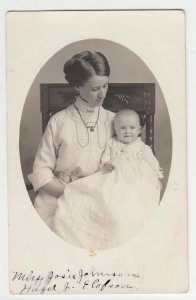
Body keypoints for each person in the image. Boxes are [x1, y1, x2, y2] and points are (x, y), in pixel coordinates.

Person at [53, 109, 163, 250]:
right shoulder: (112, 143)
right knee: (95, 193)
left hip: (134, 178)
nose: (127, 132)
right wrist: (106, 163)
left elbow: (152, 161)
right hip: (113, 175)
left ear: (139, 129)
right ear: (115, 130)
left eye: (132, 128)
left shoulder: (141, 147)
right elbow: (105, 157)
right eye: (122, 128)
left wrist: (154, 172)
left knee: (131, 199)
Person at [28, 51, 115, 228]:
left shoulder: (116, 121)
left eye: (105, 86)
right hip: (61, 196)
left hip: (103, 198)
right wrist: (74, 193)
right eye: (94, 89)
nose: (102, 95)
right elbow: (41, 173)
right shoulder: (59, 122)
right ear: (77, 86)